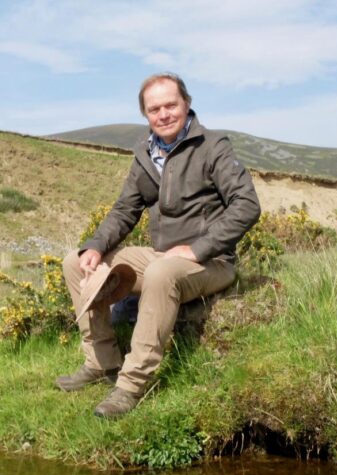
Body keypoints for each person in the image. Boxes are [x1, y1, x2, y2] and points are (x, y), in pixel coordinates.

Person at [57, 72, 262, 419]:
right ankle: (101, 361)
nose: (164, 114)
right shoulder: (146, 155)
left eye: (171, 105)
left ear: (187, 104)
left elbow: (247, 205)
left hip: (211, 261)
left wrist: (199, 248)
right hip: (162, 255)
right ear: (145, 114)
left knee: (160, 272)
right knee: (74, 262)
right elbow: (125, 210)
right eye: (155, 109)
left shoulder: (213, 147)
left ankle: (132, 384)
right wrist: (94, 246)